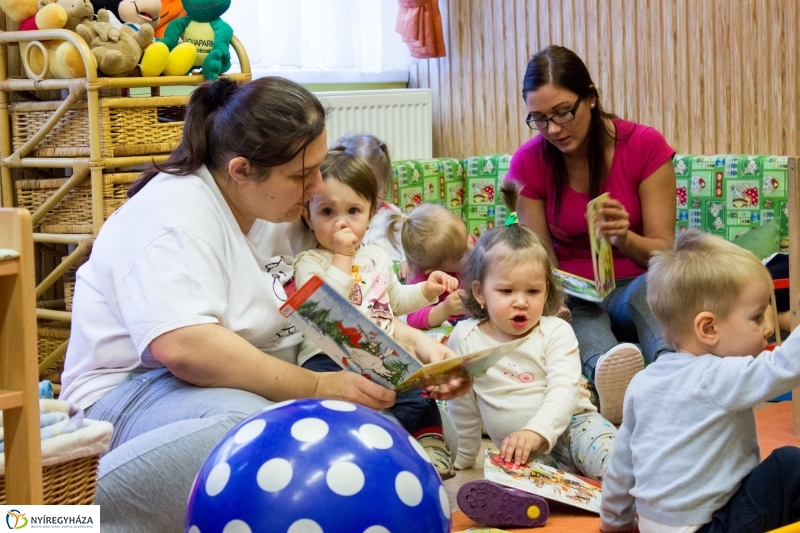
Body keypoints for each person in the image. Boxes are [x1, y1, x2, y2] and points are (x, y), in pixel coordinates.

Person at [59, 77, 470, 532]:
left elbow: (358, 303)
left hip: (256, 375)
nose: (316, 186)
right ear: (240, 170)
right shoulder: (174, 216)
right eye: (300, 175)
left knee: (423, 428)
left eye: (318, 166)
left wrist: (422, 356)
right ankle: (35, 522)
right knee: (249, 432)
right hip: (135, 392)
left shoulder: (290, 211)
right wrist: (316, 390)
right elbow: (186, 349)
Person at [508, 45, 677, 425]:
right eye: (538, 118)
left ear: (591, 99)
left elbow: (665, 253)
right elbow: (540, 260)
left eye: (563, 112)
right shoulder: (529, 162)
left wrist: (625, 238)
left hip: (638, 279)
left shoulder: (645, 145)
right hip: (575, 292)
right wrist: (551, 301)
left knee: (649, 293)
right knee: (579, 317)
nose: (552, 129)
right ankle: (611, 375)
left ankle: (674, 373)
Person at [601, 229, 800, 533]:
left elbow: (622, 465)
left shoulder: (643, 381)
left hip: (656, 527)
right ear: (708, 328)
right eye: (757, 316)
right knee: (788, 467)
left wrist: (615, 522)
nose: (770, 328)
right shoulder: (716, 376)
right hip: (708, 526)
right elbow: (784, 366)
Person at [294, 149, 460, 478]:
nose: (341, 222)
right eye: (327, 211)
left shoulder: (377, 255)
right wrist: (341, 256)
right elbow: (325, 308)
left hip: (380, 353)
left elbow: (394, 300)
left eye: (353, 211)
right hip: (328, 354)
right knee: (349, 401)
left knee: (417, 386)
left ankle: (431, 444)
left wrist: (426, 291)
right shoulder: (310, 263)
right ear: (307, 217)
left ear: (371, 215)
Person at [447, 182, 617, 487]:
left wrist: (537, 431)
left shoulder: (556, 331)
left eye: (533, 291)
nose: (521, 301)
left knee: (615, 462)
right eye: (506, 290)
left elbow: (564, 389)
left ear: (547, 291)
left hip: (575, 428)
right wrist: (464, 457)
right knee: (505, 484)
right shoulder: (465, 336)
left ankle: (639, 492)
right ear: (480, 293)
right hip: (522, 454)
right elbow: (463, 404)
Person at [335, 133, 410, 280]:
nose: (366, 197)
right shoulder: (340, 215)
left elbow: (409, 245)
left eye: (374, 189)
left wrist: (406, 260)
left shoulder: (392, 215)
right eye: (359, 188)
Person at [388, 203, 474, 329]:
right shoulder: (424, 282)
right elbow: (413, 318)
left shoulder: (465, 245)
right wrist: (445, 309)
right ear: (435, 269)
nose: (473, 249)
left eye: (467, 237)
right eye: (461, 255)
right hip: (455, 324)